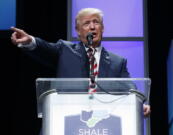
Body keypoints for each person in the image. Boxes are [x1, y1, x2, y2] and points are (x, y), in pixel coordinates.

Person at [11, 8, 151, 116]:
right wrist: (30, 41)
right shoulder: (65, 50)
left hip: (104, 121)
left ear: (102, 28)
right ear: (78, 31)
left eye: (96, 22)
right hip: (66, 117)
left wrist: (140, 104)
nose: (92, 27)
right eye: (86, 23)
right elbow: (45, 48)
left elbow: (130, 87)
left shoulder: (117, 62)